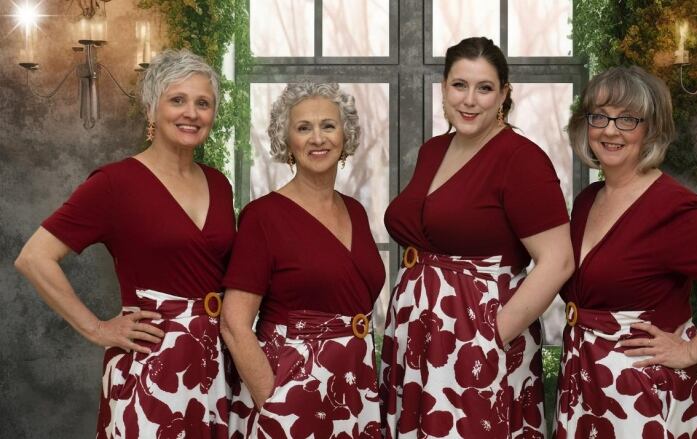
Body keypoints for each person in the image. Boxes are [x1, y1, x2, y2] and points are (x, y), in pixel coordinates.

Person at [15, 49, 235, 438]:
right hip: (152, 365)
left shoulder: (219, 184)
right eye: (177, 100)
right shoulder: (116, 183)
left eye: (203, 103)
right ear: (151, 109)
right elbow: (34, 258)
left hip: (217, 364)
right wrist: (97, 328)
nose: (192, 113)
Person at [553, 65, 697, 438]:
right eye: (600, 116)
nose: (610, 130)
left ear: (651, 129)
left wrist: (692, 351)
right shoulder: (589, 199)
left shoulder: (671, 206)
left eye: (627, 119)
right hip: (585, 385)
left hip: (642, 396)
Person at [380, 36, 575, 438]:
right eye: (459, 85)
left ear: (503, 94)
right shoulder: (433, 150)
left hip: (479, 335)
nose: (469, 100)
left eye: (484, 88)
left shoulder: (521, 158)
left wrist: (492, 335)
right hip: (420, 337)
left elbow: (558, 261)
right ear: (444, 88)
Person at [220, 82, 385, 439]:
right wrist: (277, 406)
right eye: (303, 127)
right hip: (289, 391)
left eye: (328, 125)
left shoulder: (355, 211)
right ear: (287, 142)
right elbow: (234, 324)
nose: (317, 138)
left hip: (355, 388)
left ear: (345, 135)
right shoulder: (263, 216)